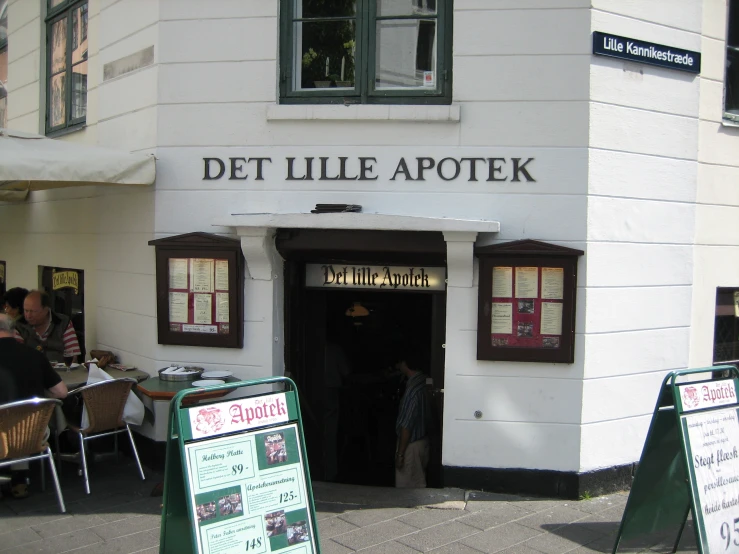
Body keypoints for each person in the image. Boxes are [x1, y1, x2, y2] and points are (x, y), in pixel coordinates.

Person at [0, 313, 68, 499]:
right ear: (14, 331)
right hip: (33, 433)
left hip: (2, 438)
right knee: (21, 421)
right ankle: (20, 479)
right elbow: (61, 392)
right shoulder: (34, 355)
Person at [394, 352, 431, 488]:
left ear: (404, 364)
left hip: (411, 445)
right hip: (424, 441)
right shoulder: (425, 381)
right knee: (419, 482)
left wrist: (400, 454)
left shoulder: (411, 392)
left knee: (407, 488)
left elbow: (406, 426)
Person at [14, 290, 81, 364]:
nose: (28, 316)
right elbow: (18, 357)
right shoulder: (18, 326)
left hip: (61, 372)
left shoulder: (63, 322)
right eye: (26, 311)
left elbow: (73, 355)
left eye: (33, 311)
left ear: (46, 310)